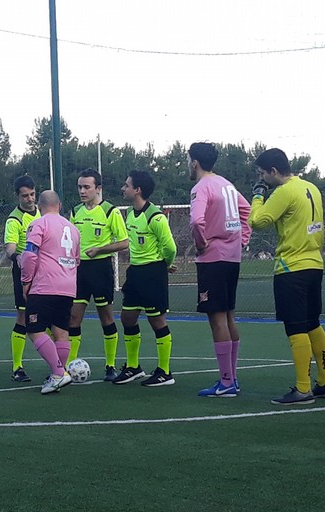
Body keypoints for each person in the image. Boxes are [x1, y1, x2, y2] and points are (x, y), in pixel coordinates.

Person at [249, 148, 325, 405]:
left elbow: (257, 221)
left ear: (274, 171)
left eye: (264, 174)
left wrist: (258, 195)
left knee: (295, 326)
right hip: (314, 263)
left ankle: (303, 388)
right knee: (312, 323)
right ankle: (324, 381)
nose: (264, 179)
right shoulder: (311, 187)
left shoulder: (284, 191)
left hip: (291, 267)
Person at [187, 142, 251, 397]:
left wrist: (202, 245)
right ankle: (232, 379)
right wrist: (242, 239)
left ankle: (226, 382)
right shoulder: (227, 184)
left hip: (213, 259)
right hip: (232, 258)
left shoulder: (201, 187)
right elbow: (246, 210)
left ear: (195, 163)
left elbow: (195, 220)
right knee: (228, 316)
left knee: (216, 318)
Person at [114, 170, 177, 386]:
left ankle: (165, 372)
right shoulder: (131, 214)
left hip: (152, 273)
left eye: (127, 185)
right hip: (135, 272)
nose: (123, 188)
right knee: (127, 317)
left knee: (156, 319)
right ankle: (133, 367)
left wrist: (164, 265)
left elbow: (170, 247)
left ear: (137, 190)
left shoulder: (156, 217)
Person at [68, 169, 128, 381]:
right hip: (79, 270)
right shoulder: (75, 212)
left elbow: (124, 242)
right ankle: (70, 366)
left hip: (101, 268)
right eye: (80, 187)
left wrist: (100, 250)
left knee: (106, 317)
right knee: (74, 317)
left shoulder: (110, 211)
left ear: (98, 189)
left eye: (87, 187)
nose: (82, 191)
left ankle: (110, 366)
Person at [21, 190, 80, 394]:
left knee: (34, 329)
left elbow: (29, 255)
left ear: (39, 205)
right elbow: (76, 260)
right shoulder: (73, 229)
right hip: (68, 287)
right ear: (60, 205)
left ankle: (58, 373)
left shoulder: (39, 223)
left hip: (45, 285)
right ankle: (58, 374)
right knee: (61, 332)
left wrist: (26, 281)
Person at [4, 175, 41, 382]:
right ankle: (17, 367)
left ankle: (59, 365)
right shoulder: (14, 219)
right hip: (24, 272)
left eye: (32, 194)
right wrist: (18, 257)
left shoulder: (43, 213)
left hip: (45, 271)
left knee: (51, 317)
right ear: (18, 196)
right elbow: (10, 248)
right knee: (23, 318)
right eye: (25, 196)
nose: (29, 199)